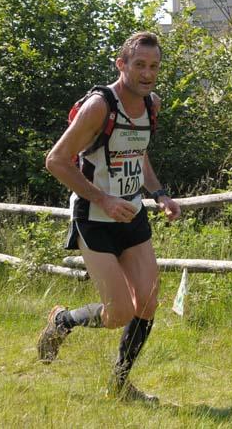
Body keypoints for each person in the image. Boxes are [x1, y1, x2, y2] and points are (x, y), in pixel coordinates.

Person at [38, 31, 181, 403]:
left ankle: (120, 385)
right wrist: (102, 198)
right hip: (94, 218)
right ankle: (62, 321)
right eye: (139, 65)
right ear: (122, 65)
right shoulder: (101, 106)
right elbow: (55, 160)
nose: (147, 73)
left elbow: (139, 154)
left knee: (147, 302)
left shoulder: (152, 105)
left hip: (131, 215)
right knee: (119, 312)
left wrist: (160, 194)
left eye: (154, 66)